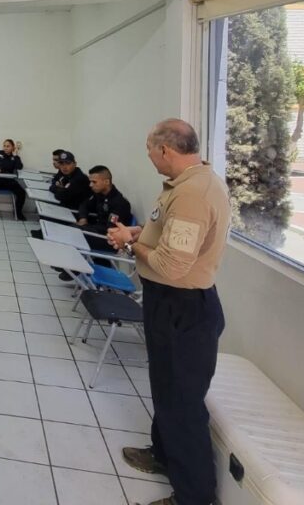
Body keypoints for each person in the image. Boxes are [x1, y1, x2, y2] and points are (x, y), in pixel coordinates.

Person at [106, 119, 230, 505]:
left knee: (183, 403)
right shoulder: (187, 184)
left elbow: (171, 265)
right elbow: (167, 233)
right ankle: (163, 455)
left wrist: (131, 246)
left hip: (183, 308)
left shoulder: (193, 194)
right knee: (165, 388)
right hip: (170, 304)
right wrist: (136, 232)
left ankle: (195, 497)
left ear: (164, 150)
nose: (149, 157)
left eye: (149, 150)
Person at [30, 150, 92, 239]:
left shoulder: (79, 178)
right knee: (45, 209)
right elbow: (53, 185)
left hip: (75, 211)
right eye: (61, 164)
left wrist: (59, 189)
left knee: (48, 214)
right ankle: (44, 233)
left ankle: (46, 235)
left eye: (68, 163)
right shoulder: (67, 174)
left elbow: (61, 196)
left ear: (75, 164)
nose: (64, 167)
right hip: (66, 206)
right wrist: (60, 189)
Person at [76, 165, 133, 260]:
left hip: (110, 241)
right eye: (90, 182)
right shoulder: (99, 194)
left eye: (94, 182)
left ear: (106, 182)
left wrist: (87, 227)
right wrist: (83, 218)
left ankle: (72, 267)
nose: (90, 185)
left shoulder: (119, 203)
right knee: (73, 230)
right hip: (98, 232)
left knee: (75, 234)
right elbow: (84, 205)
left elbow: (110, 229)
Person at [0, 138, 26, 220]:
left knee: (22, 193)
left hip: (9, 181)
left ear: (13, 147)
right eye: (4, 146)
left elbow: (19, 167)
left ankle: (18, 212)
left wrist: (16, 155)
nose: (5, 148)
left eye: (8, 146)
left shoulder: (14, 157)